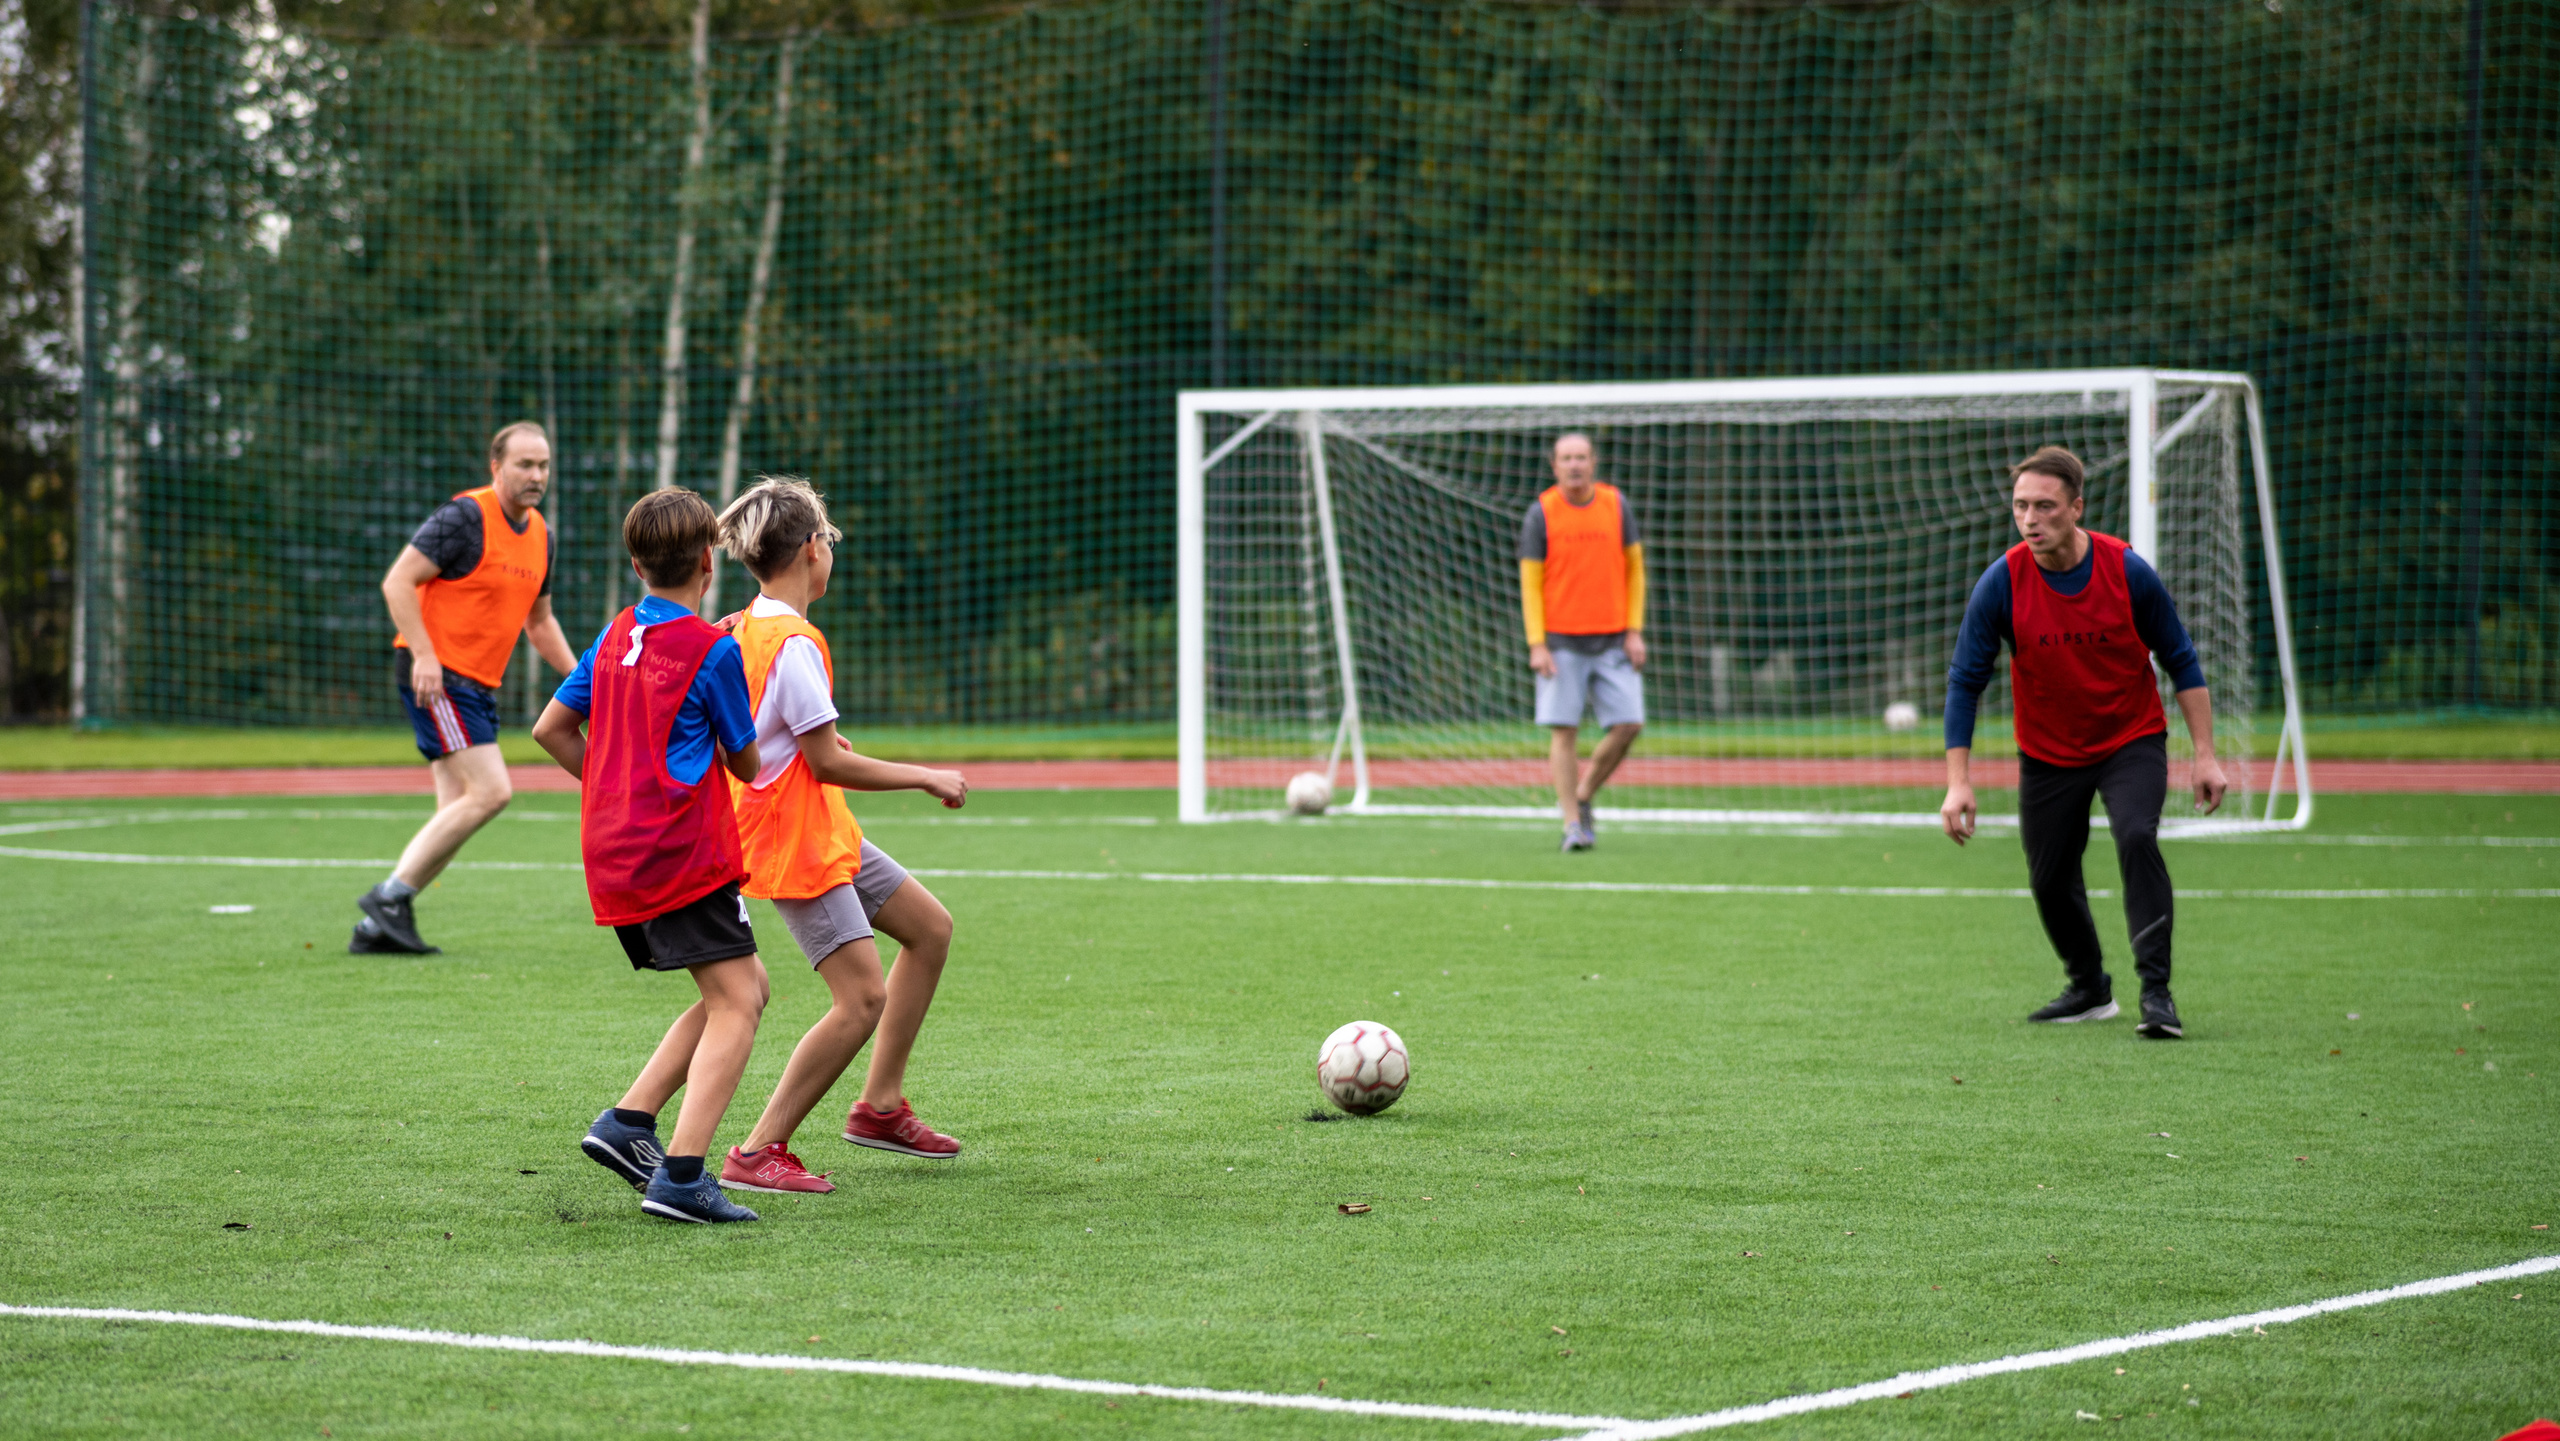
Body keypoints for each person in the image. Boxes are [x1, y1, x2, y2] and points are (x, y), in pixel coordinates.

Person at [706, 477, 972, 1198]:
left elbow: (779, 735)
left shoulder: (746, 624)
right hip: (793, 839)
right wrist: (925, 776)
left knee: (929, 929)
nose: (831, 552)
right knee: (859, 998)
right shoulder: (791, 641)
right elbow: (826, 761)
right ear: (810, 550)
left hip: (819, 827)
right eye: (827, 540)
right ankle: (758, 1149)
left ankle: (879, 1107)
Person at [531, 488, 769, 1224]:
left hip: (615, 850)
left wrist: (614, 788)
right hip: (679, 851)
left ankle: (628, 1122)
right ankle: (683, 1176)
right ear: (709, 562)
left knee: (741, 988)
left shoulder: (614, 636)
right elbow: (747, 763)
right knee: (739, 1003)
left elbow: (550, 729)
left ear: (636, 566)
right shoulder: (713, 649)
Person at [1940, 445, 2229, 1040]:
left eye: (2044, 506)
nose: (2030, 519)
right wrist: (1957, 782)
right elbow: (1966, 680)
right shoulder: (2002, 582)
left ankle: (2156, 994)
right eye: (2021, 506)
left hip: (2130, 738)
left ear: (2076, 508)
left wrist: (2205, 755)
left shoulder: (2127, 571)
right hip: (2048, 752)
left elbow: (2181, 659)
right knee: (2049, 877)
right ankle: (2089, 988)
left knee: (2135, 835)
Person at [354, 422, 578, 955]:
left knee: (456, 807)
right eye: (525, 465)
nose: (537, 476)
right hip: (439, 677)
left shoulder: (542, 536)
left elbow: (540, 622)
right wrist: (424, 655)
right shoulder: (464, 518)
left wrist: (581, 682)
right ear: (496, 466)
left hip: (475, 684)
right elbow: (397, 581)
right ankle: (388, 898)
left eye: (543, 465)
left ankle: (375, 929)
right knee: (491, 792)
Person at [1519, 432, 1647, 852]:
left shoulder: (1615, 504)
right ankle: (1572, 824)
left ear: (1594, 462)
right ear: (1554, 465)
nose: (1574, 465)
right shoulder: (1541, 513)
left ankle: (1584, 792)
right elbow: (1530, 582)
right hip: (1560, 643)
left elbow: (1635, 569)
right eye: (1566, 458)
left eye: (1581, 457)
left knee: (1629, 724)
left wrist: (1634, 630)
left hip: (1613, 639)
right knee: (1564, 732)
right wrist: (1537, 643)